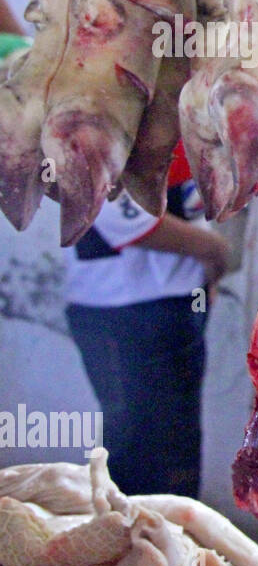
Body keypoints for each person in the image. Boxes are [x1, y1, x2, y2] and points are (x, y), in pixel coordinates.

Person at [63, 148, 231, 498]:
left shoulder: (174, 112)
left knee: (176, 445)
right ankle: (140, 545)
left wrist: (204, 274)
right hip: (128, 311)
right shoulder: (105, 110)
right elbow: (125, 221)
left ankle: (170, 544)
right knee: (147, 454)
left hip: (172, 303)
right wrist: (213, 250)